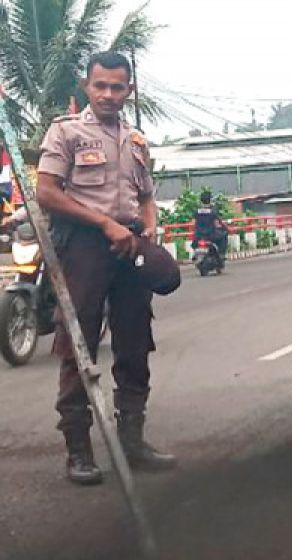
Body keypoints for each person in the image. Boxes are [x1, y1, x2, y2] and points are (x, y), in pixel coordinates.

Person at [36, 51, 182, 485]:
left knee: (136, 340)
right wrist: (103, 224)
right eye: (101, 85)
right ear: (87, 86)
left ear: (128, 91)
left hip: (129, 243)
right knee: (78, 341)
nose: (109, 94)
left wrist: (149, 226)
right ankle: (78, 449)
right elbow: (46, 192)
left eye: (118, 87)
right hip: (85, 243)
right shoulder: (66, 133)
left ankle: (132, 441)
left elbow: (147, 195)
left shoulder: (135, 141)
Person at [192, 190, 229, 258]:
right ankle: (221, 254)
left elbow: (193, 224)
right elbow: (216, 225)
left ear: (201, 201)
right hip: (211, 235)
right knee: (224, 236)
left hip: (198, 236)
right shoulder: (213, 212)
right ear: (210, 200)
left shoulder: (196, 212)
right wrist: (223, 227)